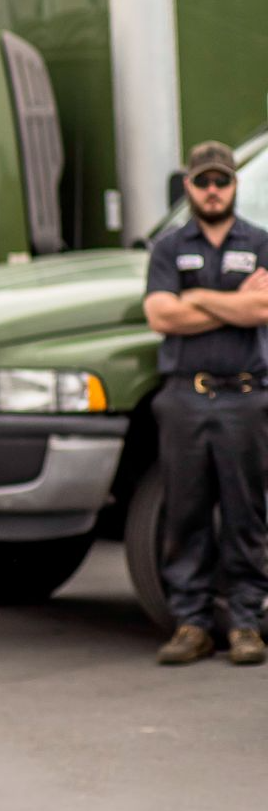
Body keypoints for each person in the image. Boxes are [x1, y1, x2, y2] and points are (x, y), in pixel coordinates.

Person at [141, 140, 268, 666]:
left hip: (245, 395)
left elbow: (264, 306)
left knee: (246, 512)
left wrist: (196, 297)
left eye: (222, 180)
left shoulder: (259, 242)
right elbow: (161, 316)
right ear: (188, 186)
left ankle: (245, 623)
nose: (213, 190)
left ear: (234, 185)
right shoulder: (168, 247)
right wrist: (236, 305)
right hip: (183, 397)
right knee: (185, 513)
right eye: (203, 181)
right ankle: (191, 623)